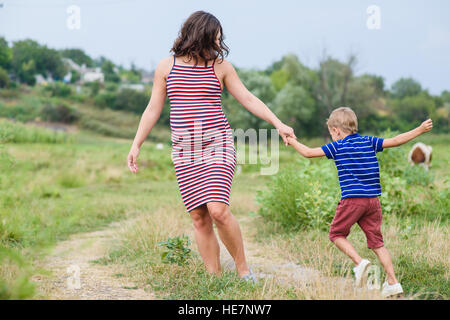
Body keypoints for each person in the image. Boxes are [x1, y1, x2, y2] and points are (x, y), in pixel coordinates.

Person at [127, 11, 296, 281]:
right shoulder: (166, 67)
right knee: (199, 218)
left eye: (219, 39)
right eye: (215, 38)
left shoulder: (222, 67)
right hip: (184, 151)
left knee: (217, 210)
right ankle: (214, 279)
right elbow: (152, 109)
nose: (219, 43)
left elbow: (249, 99)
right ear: (199, 36)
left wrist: (278, 123)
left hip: (218, 146)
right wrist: (136, 145)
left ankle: (243, 272)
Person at [286, 106, 433, 298]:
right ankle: (393, 282)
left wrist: (291, 140)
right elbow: (396, 141)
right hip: (373, 201)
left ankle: (359, 262)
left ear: (336, 130)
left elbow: (308, 153)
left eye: (332, 133)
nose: (332, 137)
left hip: (352, 200)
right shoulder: (369, 141)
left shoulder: (337, 146)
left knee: (336, 234)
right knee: (377, 243)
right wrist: (420, 130)